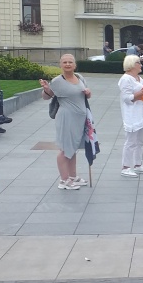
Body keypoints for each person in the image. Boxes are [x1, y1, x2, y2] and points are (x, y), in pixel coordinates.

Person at [39, 54, 91, 190]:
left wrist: (88, 93)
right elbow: (47, 96)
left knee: (72, 148)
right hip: (66, 118)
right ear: (60, 65)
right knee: (64, 149)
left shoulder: (79, 77)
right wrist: (46, 88)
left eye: (70, 62)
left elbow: (87, 95)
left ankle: (73, 176)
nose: (68, 64)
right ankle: (63, 180)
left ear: (75, 65)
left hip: (80, 118)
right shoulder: (57, 81)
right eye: (65, 62)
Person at [118, 55, 143, 178]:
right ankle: (125, 167)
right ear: (132, 64)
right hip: (132, 114)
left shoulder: (139, 78)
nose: (141, 65)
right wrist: (142, 92)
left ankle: (138, 164)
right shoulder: (126, 79)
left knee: (140, 140)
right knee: (131, 141)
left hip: (142, 113)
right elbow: (127, 98)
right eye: (138, 63)